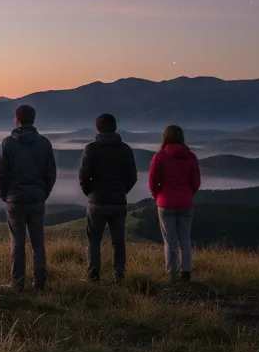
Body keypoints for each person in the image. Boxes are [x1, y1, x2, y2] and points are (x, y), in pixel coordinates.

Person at [0, 104, 57, 291]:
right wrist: (43, 193)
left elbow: (1, 173)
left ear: (17, 119)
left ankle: (17, 283)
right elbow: (51, 173)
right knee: (38, 242)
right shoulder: (44, 143)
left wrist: (5, 195)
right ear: (34, 119)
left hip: (15, 199)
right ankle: (40, 283)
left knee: (17, 242)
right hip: (36, 198)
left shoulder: (7, 143)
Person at [78, 113, 137, 283]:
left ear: (98, 128)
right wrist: (122, 191)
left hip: (97, 201)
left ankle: (93, 275)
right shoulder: (125, 149)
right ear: (115, 127)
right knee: (118, 241)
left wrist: (90, 193)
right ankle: (120, 275)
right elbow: (132, 176)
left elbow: (83, 176)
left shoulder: (91, 149)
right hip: (118, 201)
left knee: (94, 241)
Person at [148, 124, 201, 282]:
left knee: (169, 241)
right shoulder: (191, 157)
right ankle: (185, 272)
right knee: (184, 238)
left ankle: (171, 274)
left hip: (165, 203)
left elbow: (153, 181)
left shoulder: (160, 156)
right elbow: (196, 183)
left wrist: (157, 196)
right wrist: (187, 195)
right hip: (185, 203)